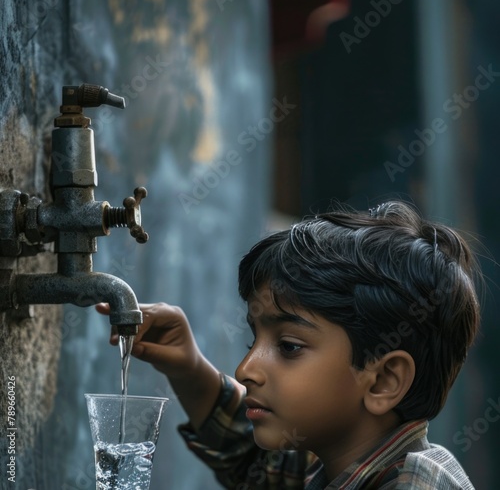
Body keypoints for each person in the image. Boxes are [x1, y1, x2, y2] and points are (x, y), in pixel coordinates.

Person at [97, 200, 480, 489]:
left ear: (383, 380)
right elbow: (253, 465)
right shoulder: (330, 463)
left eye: (289, 346)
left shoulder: (415, 482)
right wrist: (188, 367)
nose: (245, 369)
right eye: (254, 338)